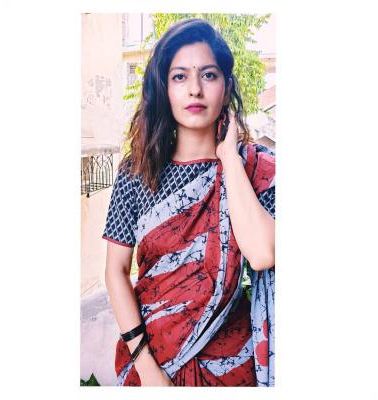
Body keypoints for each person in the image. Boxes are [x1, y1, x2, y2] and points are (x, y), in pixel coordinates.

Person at [102, 18, 275, 387]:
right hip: (149, 363)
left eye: (208, 75)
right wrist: (148, 370)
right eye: (180, 77)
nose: (195, 89)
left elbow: (263, 253)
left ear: (226, 88)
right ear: (164, 89)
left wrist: (228, 159)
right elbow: (115, 271)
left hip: (231, 368)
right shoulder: (137, 172)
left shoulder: (253, 167)